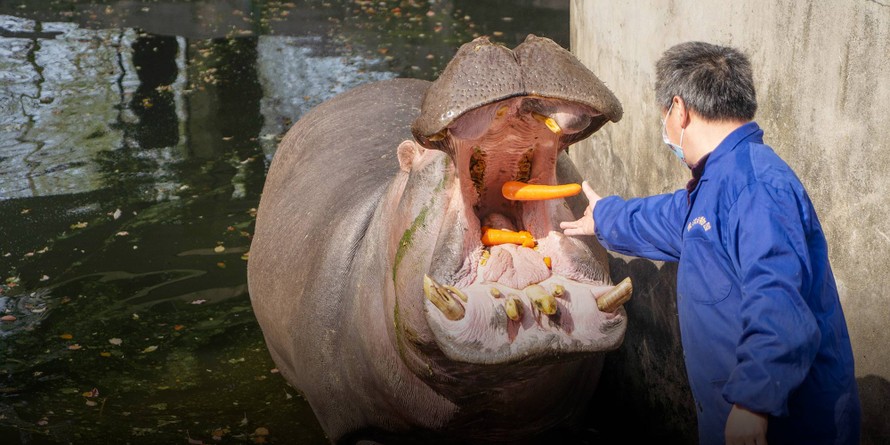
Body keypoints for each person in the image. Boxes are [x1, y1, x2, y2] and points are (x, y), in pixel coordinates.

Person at [560, 41, 860, 445]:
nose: (666, 130)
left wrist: (753, 403)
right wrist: (605, 217)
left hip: (783, 424)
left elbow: (777, 300)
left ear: (679, 110)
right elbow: (671, 220)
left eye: (664, 117)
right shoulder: (720, 180)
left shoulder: (758, 188)